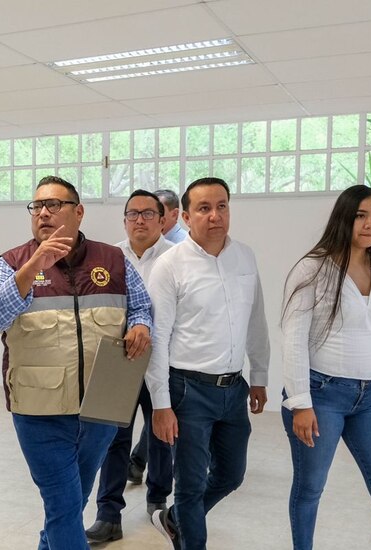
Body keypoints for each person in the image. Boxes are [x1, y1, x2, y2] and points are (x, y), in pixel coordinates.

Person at [0, 175, 153, 550]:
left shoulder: (113, 260)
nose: (43, 212)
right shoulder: (13, 263)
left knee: (70, 504)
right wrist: (32, 268)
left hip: (101, 408)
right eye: (37, 206)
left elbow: (141, 304)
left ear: (78, 212)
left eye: (54, 205)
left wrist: (140, 324)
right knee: (62, 503)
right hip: (39, 410)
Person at [280, 185, 371, 550]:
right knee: (310, 490)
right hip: (321, 395)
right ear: (344, 217)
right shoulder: (312, 268)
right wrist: (301, 403)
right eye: (361, 215)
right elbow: (293, 339)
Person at [146, 177, 269, 550]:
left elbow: (256, 319)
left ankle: (173, 519)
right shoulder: (169, 266)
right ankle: (186, 531)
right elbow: (158, 340)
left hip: (234, 389)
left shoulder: (245, 256)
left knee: (231, 475)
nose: (215, 215)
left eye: (222, 206)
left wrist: (260, 375)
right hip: (188, 391)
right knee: (190, 485)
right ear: (184, 216)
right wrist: (161, 405)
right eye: (203, 208)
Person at [86, 189, 175, 543]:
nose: (140, 220)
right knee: (113, 440)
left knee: (161, 437)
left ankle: (158, 503)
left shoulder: (176, 256)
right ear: (124, 220)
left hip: (162, 360)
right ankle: (108, 515)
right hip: (120, 361)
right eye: (133, 214)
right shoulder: (110, 257)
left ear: (163, 218)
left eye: (148, 213)